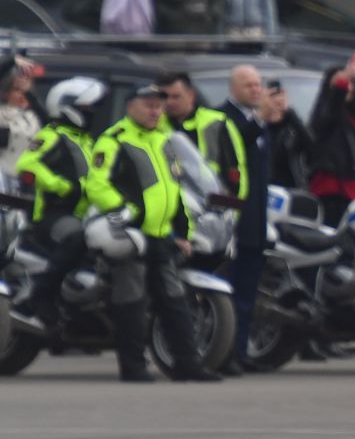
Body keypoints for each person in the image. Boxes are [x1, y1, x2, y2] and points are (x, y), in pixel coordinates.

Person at [82, 84, 220, 383]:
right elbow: (96, 185)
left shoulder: (164, 140)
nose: (155, 110)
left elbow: (176, 191)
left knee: (175, 299)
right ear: (131, 106)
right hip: (131, 236)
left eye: (159, 105)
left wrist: (184, 230)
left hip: (162, 236)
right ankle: (133, 367)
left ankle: (187, 365)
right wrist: (125, 211)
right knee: (131, 301)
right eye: (148, 105)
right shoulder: (114, 140)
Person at [11, 77, 105, 328]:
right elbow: (27, 165)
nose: (92, 113)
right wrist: (58, 185)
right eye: (86, 109)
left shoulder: (86, 140)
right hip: (53, 214)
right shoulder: (52, 136)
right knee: (79, 238)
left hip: (87, 213)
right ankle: (41, 295)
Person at [217, 65, 272, 376]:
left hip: (257, 221)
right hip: (234, 221)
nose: (256, 90)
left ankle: (240, 351)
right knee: (230, 293)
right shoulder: (225, 118)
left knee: (248, 295)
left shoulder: (259, 121)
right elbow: (232, 146)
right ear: (233, 88)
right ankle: (224, 354)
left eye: (258, 84)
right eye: (249, 85)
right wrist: (259, 119)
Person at [307, 59, 355, 225]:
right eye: (341, 83)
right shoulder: (326, 113)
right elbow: (333, 106)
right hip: (332, 188)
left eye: (350, 82)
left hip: (353, 188)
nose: (347, 86)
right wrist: (344, 78)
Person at [157, 72, 242, 189]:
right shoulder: (156, 125)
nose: (169, 102)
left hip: (212, 199)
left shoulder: (217, 123)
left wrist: (235, 202)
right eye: (165, 97)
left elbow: (236, 166)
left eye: (176, 96)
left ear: (191, 95)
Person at [262, 80, 313, 190]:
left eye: (278, 103)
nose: (274, 107)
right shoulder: (259, 127)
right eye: (271, 102)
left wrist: (289, 112)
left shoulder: (292, 127)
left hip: (291, 188)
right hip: (265, 188)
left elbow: (311, 146)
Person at [1, 58, 44, 186]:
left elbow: (49, 124)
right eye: (17, 90)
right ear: (6, 93)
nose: (22, 95)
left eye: (25, 91)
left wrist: (30, 94)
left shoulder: (36, 116)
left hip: (30, 179)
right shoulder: (1, 113)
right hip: (4, 176)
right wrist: (11, 60)